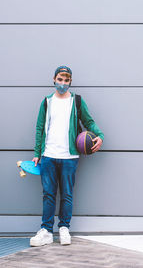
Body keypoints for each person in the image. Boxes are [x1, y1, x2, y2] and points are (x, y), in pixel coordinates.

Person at [30, 66, 104, 246]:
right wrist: (37, 153)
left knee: (67, 194)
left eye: (66, 80)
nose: (63, 83)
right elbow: (40, 128)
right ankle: (46, 231)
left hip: (69, 157)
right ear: (54, 79)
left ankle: (64, 228)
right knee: (48, 194)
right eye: (60, 79)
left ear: (70, 82)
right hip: (48, 155)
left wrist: (100, 136)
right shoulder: (47, 102)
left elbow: (89, 122)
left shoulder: (77, 101)